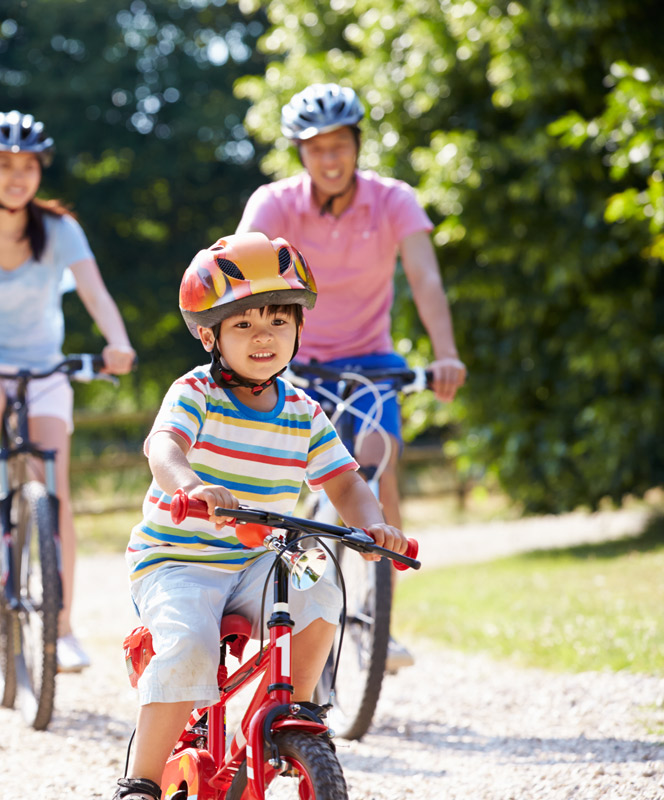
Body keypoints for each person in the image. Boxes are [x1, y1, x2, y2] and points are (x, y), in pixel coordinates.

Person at [112, 232, 407, 800]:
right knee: (189, 646)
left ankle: (295, 710)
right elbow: (163, 448)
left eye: (278, 320)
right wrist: (192, 486)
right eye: (243, 324)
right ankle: (141, 782)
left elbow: (345, 480)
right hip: (179, 561)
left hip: (260, 559)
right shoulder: (195, 391)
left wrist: (372, 525)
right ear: (210, 335)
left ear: (299, 328)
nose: (263, 336)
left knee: (321, 580)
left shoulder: (302, 410)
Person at [236, 82, 466, 670]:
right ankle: (304, 598)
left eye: (340, 145)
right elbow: (241, 272)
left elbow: (426, 281)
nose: (330, 159)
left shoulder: (393, 201)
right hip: (296, 362)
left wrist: (445, 353)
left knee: (375, 456)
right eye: (317, 148)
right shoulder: (276, 203)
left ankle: (376, 617)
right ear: (300, 153)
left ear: (357, 145)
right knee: (294, 488)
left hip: (370, 361)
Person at [0, 110, 135, 673]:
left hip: (42, 372)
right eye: (4, 165)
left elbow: (96, 293)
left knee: (53, 491)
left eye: (28, 166)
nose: (17, 176)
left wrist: (118, 341)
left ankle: (61, 631)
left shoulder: (59, 229)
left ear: (40, 172)